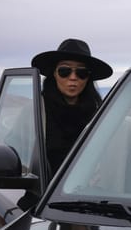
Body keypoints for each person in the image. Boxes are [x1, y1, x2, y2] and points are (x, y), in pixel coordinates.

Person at [31, 38, 113, 173]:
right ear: (54, 73)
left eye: (81, 72)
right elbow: (16, 158)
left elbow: (130, 138)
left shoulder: (100, 115)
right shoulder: (35, 113)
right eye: (65, 71)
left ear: (88, 78)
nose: (73, 77)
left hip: (89, 191)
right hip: (43, 192)